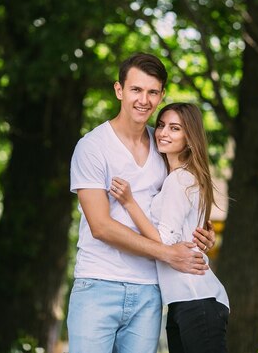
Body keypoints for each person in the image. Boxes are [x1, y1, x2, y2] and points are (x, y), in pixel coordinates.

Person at [68, 53, 216, 353]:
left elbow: (180, 203)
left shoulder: (163, 144)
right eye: (136, 89)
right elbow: (101, 227)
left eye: (152, 92)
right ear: (119, 90)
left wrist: (200, 234)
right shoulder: (92, 147)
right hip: (98, 284)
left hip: (150, 290)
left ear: (161, 95)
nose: (144, 100)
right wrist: (169, 254)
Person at [110, 102, 229, 353]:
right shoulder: (175, 178)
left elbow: (164, 242)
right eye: (162, 125)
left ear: (190, 137)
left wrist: (130, 203)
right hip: (181, 302)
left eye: (175, 128)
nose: (163, 133)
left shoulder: (180, 179)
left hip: (197, 298)